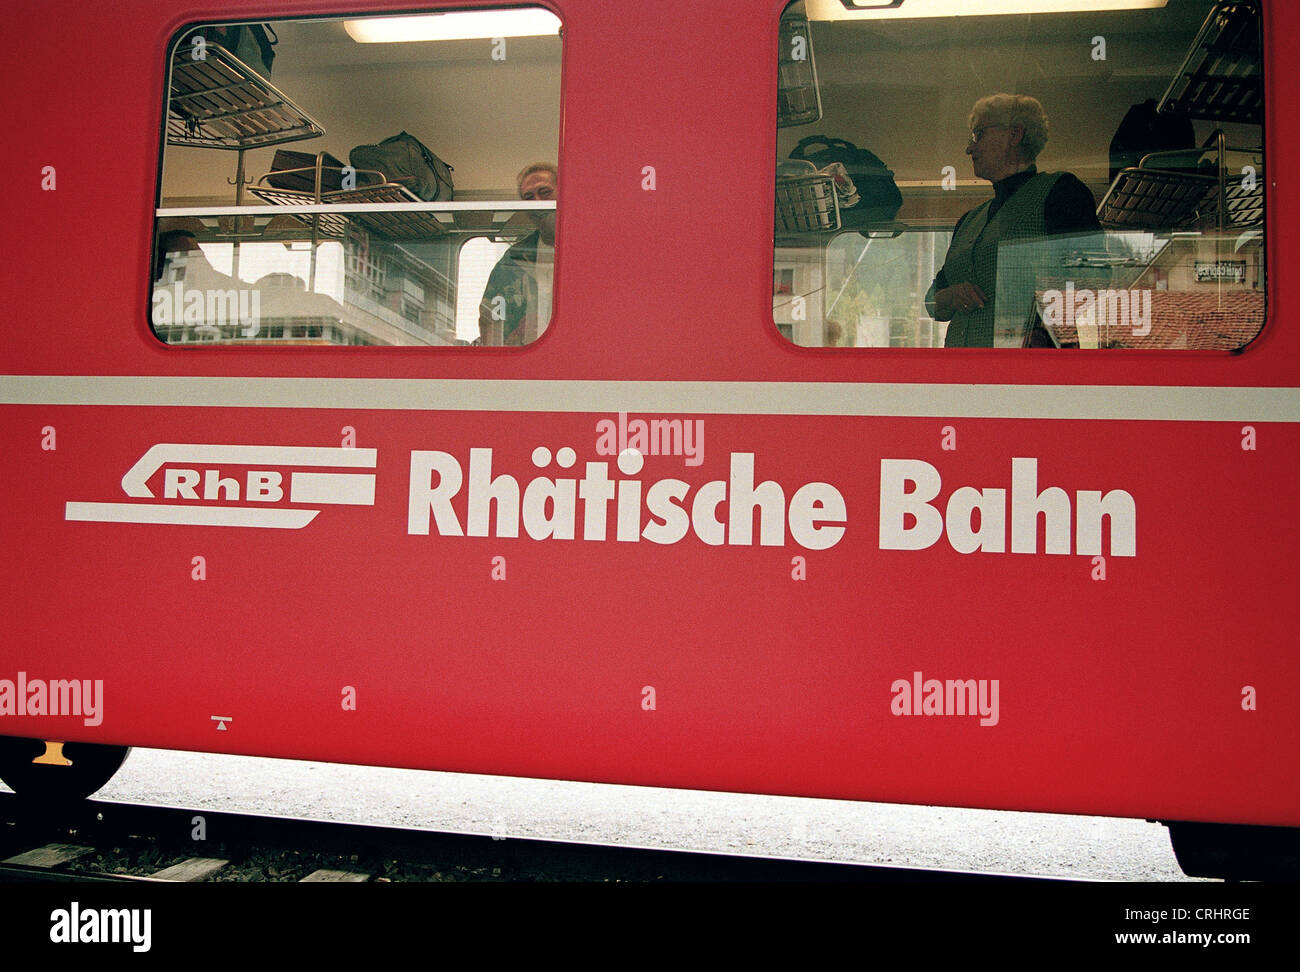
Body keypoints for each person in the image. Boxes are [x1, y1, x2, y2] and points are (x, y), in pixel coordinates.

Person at [926, 94, 1101, 347]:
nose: (969, 148)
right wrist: (951, 297)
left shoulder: (1060, 192)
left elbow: (1091, 280)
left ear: (1014, 135)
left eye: (978, 134)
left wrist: (1046, 335)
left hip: (1023, 376)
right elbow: (932, 302)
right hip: (959, 374)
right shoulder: (968, 221)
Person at [479, 162, 557, 345]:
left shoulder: (591, 251)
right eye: (529, 197)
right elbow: (489, 320)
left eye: (545, 192)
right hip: (528, 362)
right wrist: (515, 335)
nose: (537, 202)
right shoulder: (513, 258)